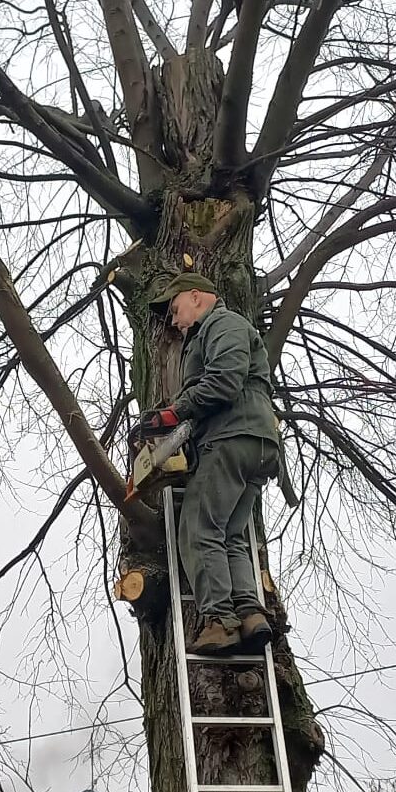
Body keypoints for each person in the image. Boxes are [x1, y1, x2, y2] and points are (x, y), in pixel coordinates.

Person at [139, 272, 280, 655]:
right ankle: (249, 614)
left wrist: (174, 413)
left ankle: (220, 620)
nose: (173, 320)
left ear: (197, 296)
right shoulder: (219, 330)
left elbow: (224, 381)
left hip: (232, 438)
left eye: (175, 309)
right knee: (229, 535)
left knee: (199, 530)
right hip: (253, 444)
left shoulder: (224, 324)